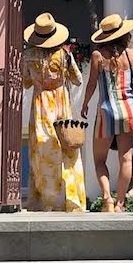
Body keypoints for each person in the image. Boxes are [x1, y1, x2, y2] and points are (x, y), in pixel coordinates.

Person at [23, 12, 86, 212]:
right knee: (66, 149)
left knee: (42, 151)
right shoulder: (65, 54)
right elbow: (77, 79)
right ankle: (69, 199)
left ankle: (45, 200)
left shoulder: (28, 56)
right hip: (60, 103)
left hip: (41, 105)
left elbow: (25, 83)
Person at [81, 14, 133, 212]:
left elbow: (92, 83)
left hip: (106, 111)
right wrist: (128, 92)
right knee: (126, 159)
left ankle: (107, 198)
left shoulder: (98, 55)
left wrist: (85, 104)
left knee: (99, 160)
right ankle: (120, 204)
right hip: (129, 110)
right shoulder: (130, 54)